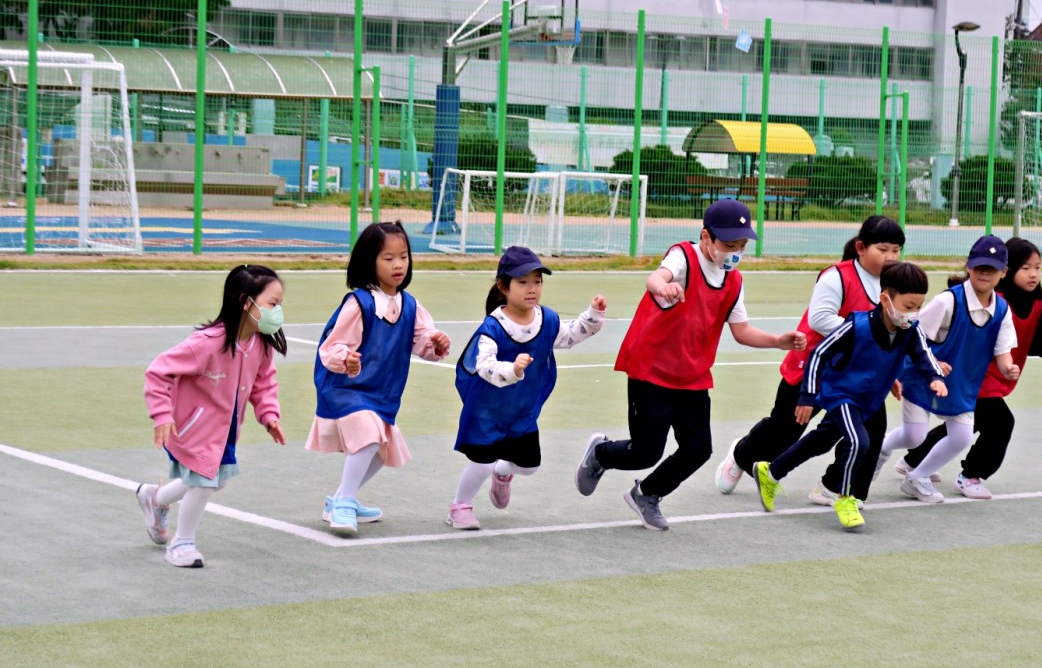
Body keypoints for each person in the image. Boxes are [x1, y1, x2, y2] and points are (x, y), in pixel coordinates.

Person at [573, 198, 806, 531]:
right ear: (706, 237)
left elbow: (741, 331)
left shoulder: (734, 281)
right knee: (646, 452)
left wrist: (777, 341)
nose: (736, 251)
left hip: (692, 375)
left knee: (699, 449)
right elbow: (656, 277)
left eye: (742, 245)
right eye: (729, 244)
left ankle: (647, 494)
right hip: (651, 369)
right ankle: (601, 454)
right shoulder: (684, 257)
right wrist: (664, 286)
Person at [715, 215, 906, 508]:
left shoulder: (893, 285)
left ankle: (838, 488)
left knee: (871, 429)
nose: (891, 256)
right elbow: (820, 319)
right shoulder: (837, 276)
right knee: (786, 432)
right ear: (860, 247)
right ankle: (742, 456)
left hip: (856, 375)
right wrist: (866, 337)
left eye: (896, 250)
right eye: (883, 249)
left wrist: (885, 368)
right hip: (814, 366)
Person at [751, 261, 947, 529]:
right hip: (842, 393)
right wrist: (807, 396)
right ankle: (845, 497)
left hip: (870, 398)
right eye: (908, 307)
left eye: (918, 308)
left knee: (820, 441)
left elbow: (924, 356)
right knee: (858, 442)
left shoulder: (910, 330)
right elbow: (818, 353)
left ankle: (770, 472)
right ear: (885, 299)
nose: (912, 314)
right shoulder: (856, 325)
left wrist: (935, 377)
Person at [897, 237, 1042, 498]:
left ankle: (914, 461)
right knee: (999, 423)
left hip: (994, 379)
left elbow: (1040, 343)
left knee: (964, 425)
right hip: (974, 376)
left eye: (1038, 268)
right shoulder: (992, 301)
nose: (1033, 274)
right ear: (1008, 270)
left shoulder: (1035, 306)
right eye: (1026, 267)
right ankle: (969, 475)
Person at [137, 264, 287, 568]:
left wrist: (268, 413)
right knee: (205, 481)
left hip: (226, 428)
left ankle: (156, 498)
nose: (278, 312)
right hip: (192, 427)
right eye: (272, 304)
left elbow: (264, 382)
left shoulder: (260, 343)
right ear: (248, 303)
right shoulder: (206, 343)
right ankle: (182, 543)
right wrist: (162, 415)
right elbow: (158, 373)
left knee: (215, 481)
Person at [307, 221, 451, 535]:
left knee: (381, 451)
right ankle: (344, 502)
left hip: (383, 391)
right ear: (369, 261)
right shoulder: (359, 303)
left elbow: (422, 344)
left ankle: (340, 499)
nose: (398, 264)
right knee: (371, 436)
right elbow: (331, 347)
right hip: (346, 387)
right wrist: (347, 358)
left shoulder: (410, 305)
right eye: (388, 258)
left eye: (403, 256)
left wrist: (435, 344)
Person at [449, 246, 607, 530]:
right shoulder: (492, 327)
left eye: (537, 281)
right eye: (522, 282)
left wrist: (592, 316)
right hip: (487, 411)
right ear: (503, 287)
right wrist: (512, 369)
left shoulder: (545, 320)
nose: (531, 288)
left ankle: (502, 472)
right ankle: (459, 507)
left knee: (530, 465)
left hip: (521, 411)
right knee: (481, 463)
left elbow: (569, 336)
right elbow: (483, 365)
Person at [878, 235, 1021, 504]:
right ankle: (880, 450)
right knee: (914, 435)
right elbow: (913, 337)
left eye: (992, 269)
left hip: (961, 384)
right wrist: (932, 362)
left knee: (962, 436)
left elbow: (1003, 355)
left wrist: (1008, 369)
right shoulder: (948, 301)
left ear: (1003, 273)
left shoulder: (1002, 310)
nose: (984, 273)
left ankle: (918, 477)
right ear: (968, 266)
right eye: (980, 267)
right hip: (922, 376)